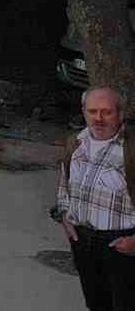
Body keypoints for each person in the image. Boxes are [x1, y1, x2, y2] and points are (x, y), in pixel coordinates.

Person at [55, 86, 135, 310]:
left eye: (107, 112)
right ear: (83, 111)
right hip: (82, 242)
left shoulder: (131, 151)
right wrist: (65, 216)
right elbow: (64, 186)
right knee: (96, 303)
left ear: (120, 113)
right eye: (92, 111)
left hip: (121, 245)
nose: (98, 118)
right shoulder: (75, 143)